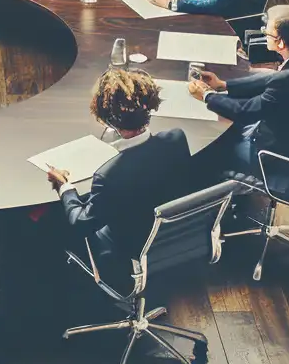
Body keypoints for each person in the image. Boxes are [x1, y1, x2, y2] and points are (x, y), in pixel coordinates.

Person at [46, 67, 197, 272]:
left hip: (133, 249)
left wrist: (64, 187)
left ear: (108, 121)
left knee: (53, 222)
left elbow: (81, 222)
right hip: (180, 236)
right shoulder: (177, 138)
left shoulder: (108, 176)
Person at [188, 3, 289, 186]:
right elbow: (272, 79)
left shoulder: (287, 81)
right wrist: (223, 85)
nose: (263, 34)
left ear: (281, 42)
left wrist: (207, 96)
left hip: (281, 157)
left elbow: (244, 111)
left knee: (211, 145)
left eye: (266, 32)